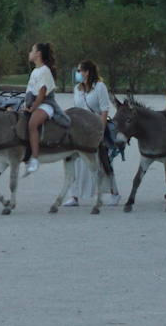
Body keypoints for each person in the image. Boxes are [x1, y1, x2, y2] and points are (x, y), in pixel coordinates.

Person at [66, 59, 116, 207]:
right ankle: (73, 195)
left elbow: (104, 109)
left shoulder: (100, 87)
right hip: (79, 130)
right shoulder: (77, 89)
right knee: (75, 161)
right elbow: (77, 109)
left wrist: (99, 131)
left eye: (80, 71)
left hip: (95, 130)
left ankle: (113, 192)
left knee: (101, 161)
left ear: (87, 72)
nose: (78, 73)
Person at [24, 42, 59, 175]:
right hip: (35, 103)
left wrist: (33, 108)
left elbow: (42, 92)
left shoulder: (44, 70)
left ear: (38, 54)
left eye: (32, 50)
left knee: (33, 123)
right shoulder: (35, 71)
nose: (29, 53)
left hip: (46, 104)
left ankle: (35, 158)